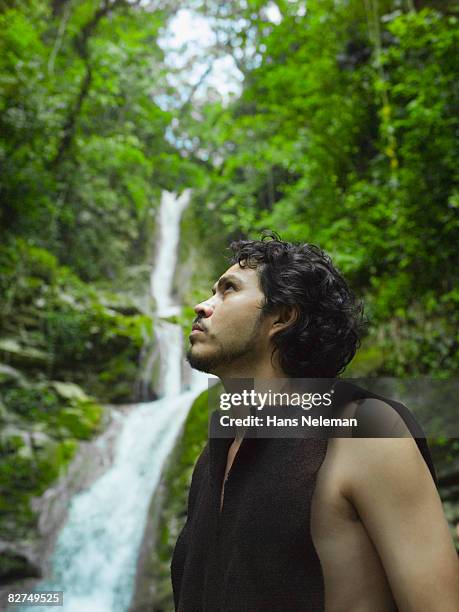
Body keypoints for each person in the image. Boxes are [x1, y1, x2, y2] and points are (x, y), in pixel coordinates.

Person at [171, 232, 459, 611]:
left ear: (283, 316)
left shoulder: (364, 432)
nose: (202, 305)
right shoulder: (214, 455)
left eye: (228, 290)